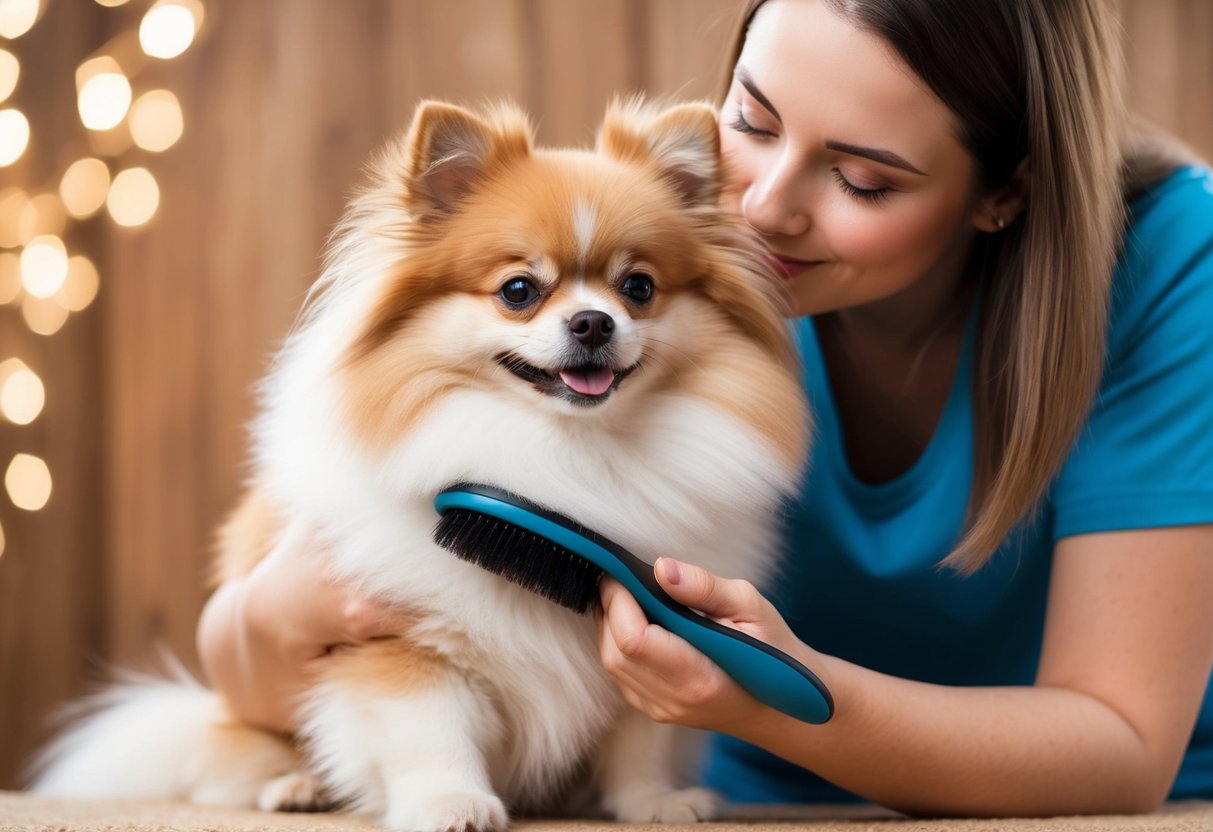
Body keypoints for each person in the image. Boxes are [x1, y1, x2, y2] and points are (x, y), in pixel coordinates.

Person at [196, 0, 1213, 817]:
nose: (763, 205)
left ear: (1006, 194)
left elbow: (1118, 750)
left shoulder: (1171, 265)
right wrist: (272, 614)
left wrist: (771, 693)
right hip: (741, 804)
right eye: (752, 120)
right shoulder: (670, 238)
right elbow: (259, 670)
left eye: (861, 177)